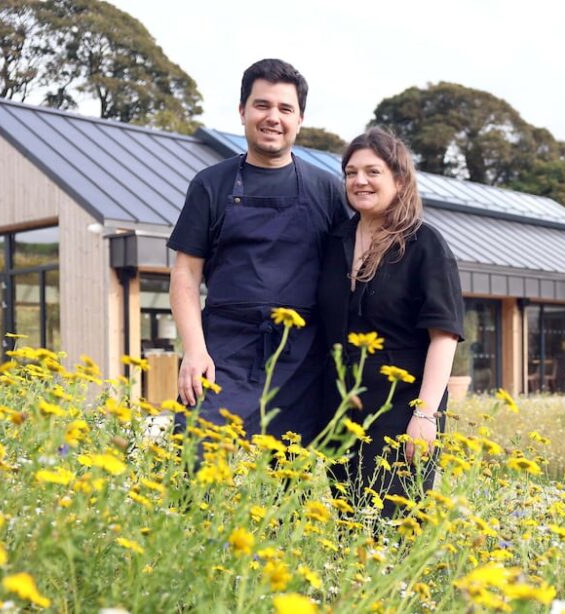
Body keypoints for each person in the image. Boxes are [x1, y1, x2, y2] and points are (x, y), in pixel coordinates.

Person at [167, 59, 348, 443]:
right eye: (262, 105)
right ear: (242, 111)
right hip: (223, 353)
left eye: (285, 109)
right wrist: (194, 350)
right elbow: (185, 274)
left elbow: (349, 273)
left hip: (301, 360)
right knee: (195, 451)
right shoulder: (210, 185)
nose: (273, 118)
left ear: (300, 119)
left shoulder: (327, 190)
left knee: (287, 471)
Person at [317, 127, 464, 512]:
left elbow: (444, 336)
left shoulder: (424, 244)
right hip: (341, 412)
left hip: (402, 410)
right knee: (349, 525)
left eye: (372, 172)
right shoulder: (334, 242)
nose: (359, 181)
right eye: (351, 173)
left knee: (393, 526)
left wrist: (425, 415)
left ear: (399, 180)